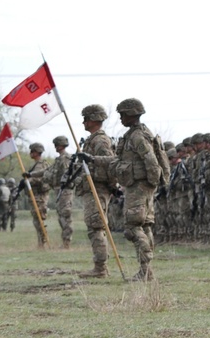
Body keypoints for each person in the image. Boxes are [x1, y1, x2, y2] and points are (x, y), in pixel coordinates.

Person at [81, 98, 166, 281]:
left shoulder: (137, 136)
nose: (120, 119)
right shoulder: (134, 134)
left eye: (122, 115)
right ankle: (147, 271)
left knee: (133, 227)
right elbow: (116, 161)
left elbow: (151, 162)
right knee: (144, 226)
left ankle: (145, 270)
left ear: (131, 114)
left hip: (139, 187)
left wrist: (150, 186)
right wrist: (92, 159)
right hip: (137, 186)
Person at [76, 104, 116, 278]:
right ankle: (99, 266)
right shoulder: (92, 139)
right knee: (94, 227)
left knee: (96, 227)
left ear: (93, 119)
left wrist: (91, 158)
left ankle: (101, 268)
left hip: (98, 187)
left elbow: (111, 161)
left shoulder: (100, 140)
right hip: (92, 188)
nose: (83, 122)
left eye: (85, 118)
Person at [20, 143, 51, 248]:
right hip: (35, 195)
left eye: (32, 151)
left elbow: (41, 178)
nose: (30, 153)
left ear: (37, 152)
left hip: (39, 196)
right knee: (36, 220)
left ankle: (42, 242)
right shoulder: (35, 165)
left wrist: (28, 181)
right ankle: (41, 242)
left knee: (39, 219)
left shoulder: (41, 165)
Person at [48, 136, 75, 249]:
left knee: (65, 215)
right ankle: (64, 241)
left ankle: (66, 242)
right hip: (59, 190)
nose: (55, 147)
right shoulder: (59, 159)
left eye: (56, 145)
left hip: (65, 191)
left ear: (60, 145)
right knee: (61, 216)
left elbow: (67, 175)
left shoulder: (65, 159)